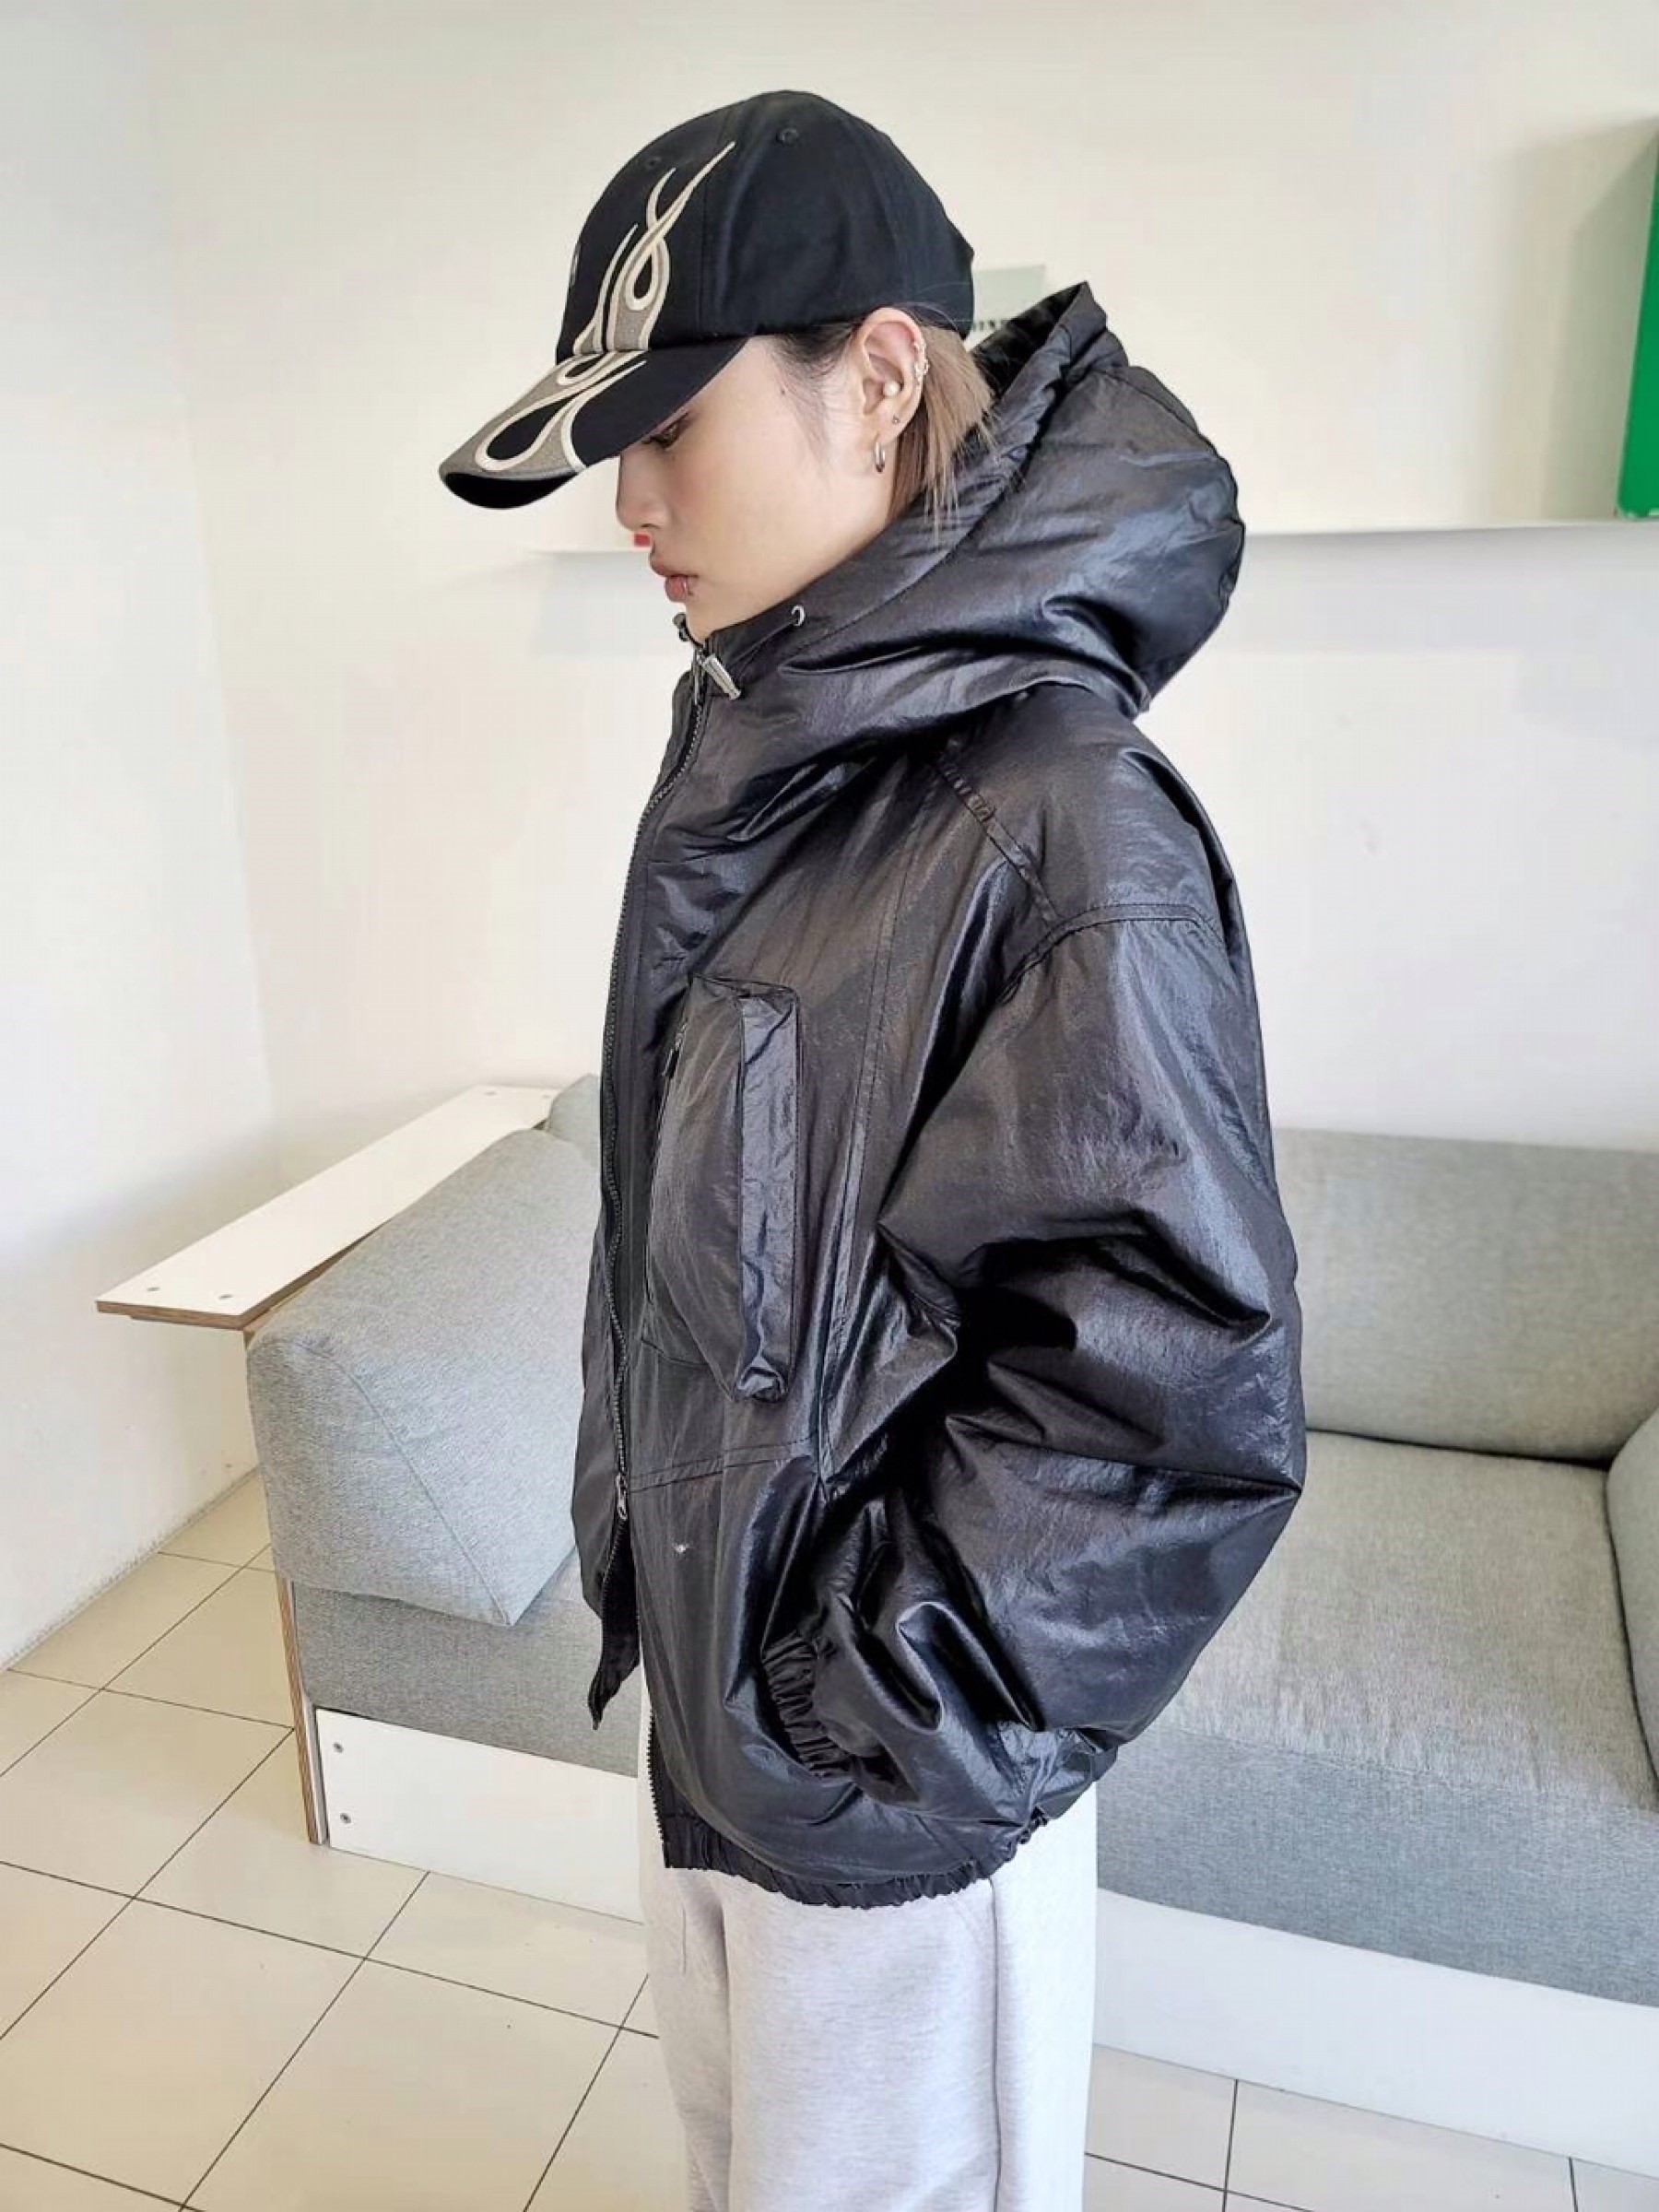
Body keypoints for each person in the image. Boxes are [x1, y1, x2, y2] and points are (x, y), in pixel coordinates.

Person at [440, 86, 1306, 2212]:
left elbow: (1163, 1408)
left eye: (672, 427)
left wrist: (853, 1726)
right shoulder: (774, 752)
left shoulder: (1056, 819)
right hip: (735, 1733)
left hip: (883, 1809)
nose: (631, 503)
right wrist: (726, 1682)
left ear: (883, 375)